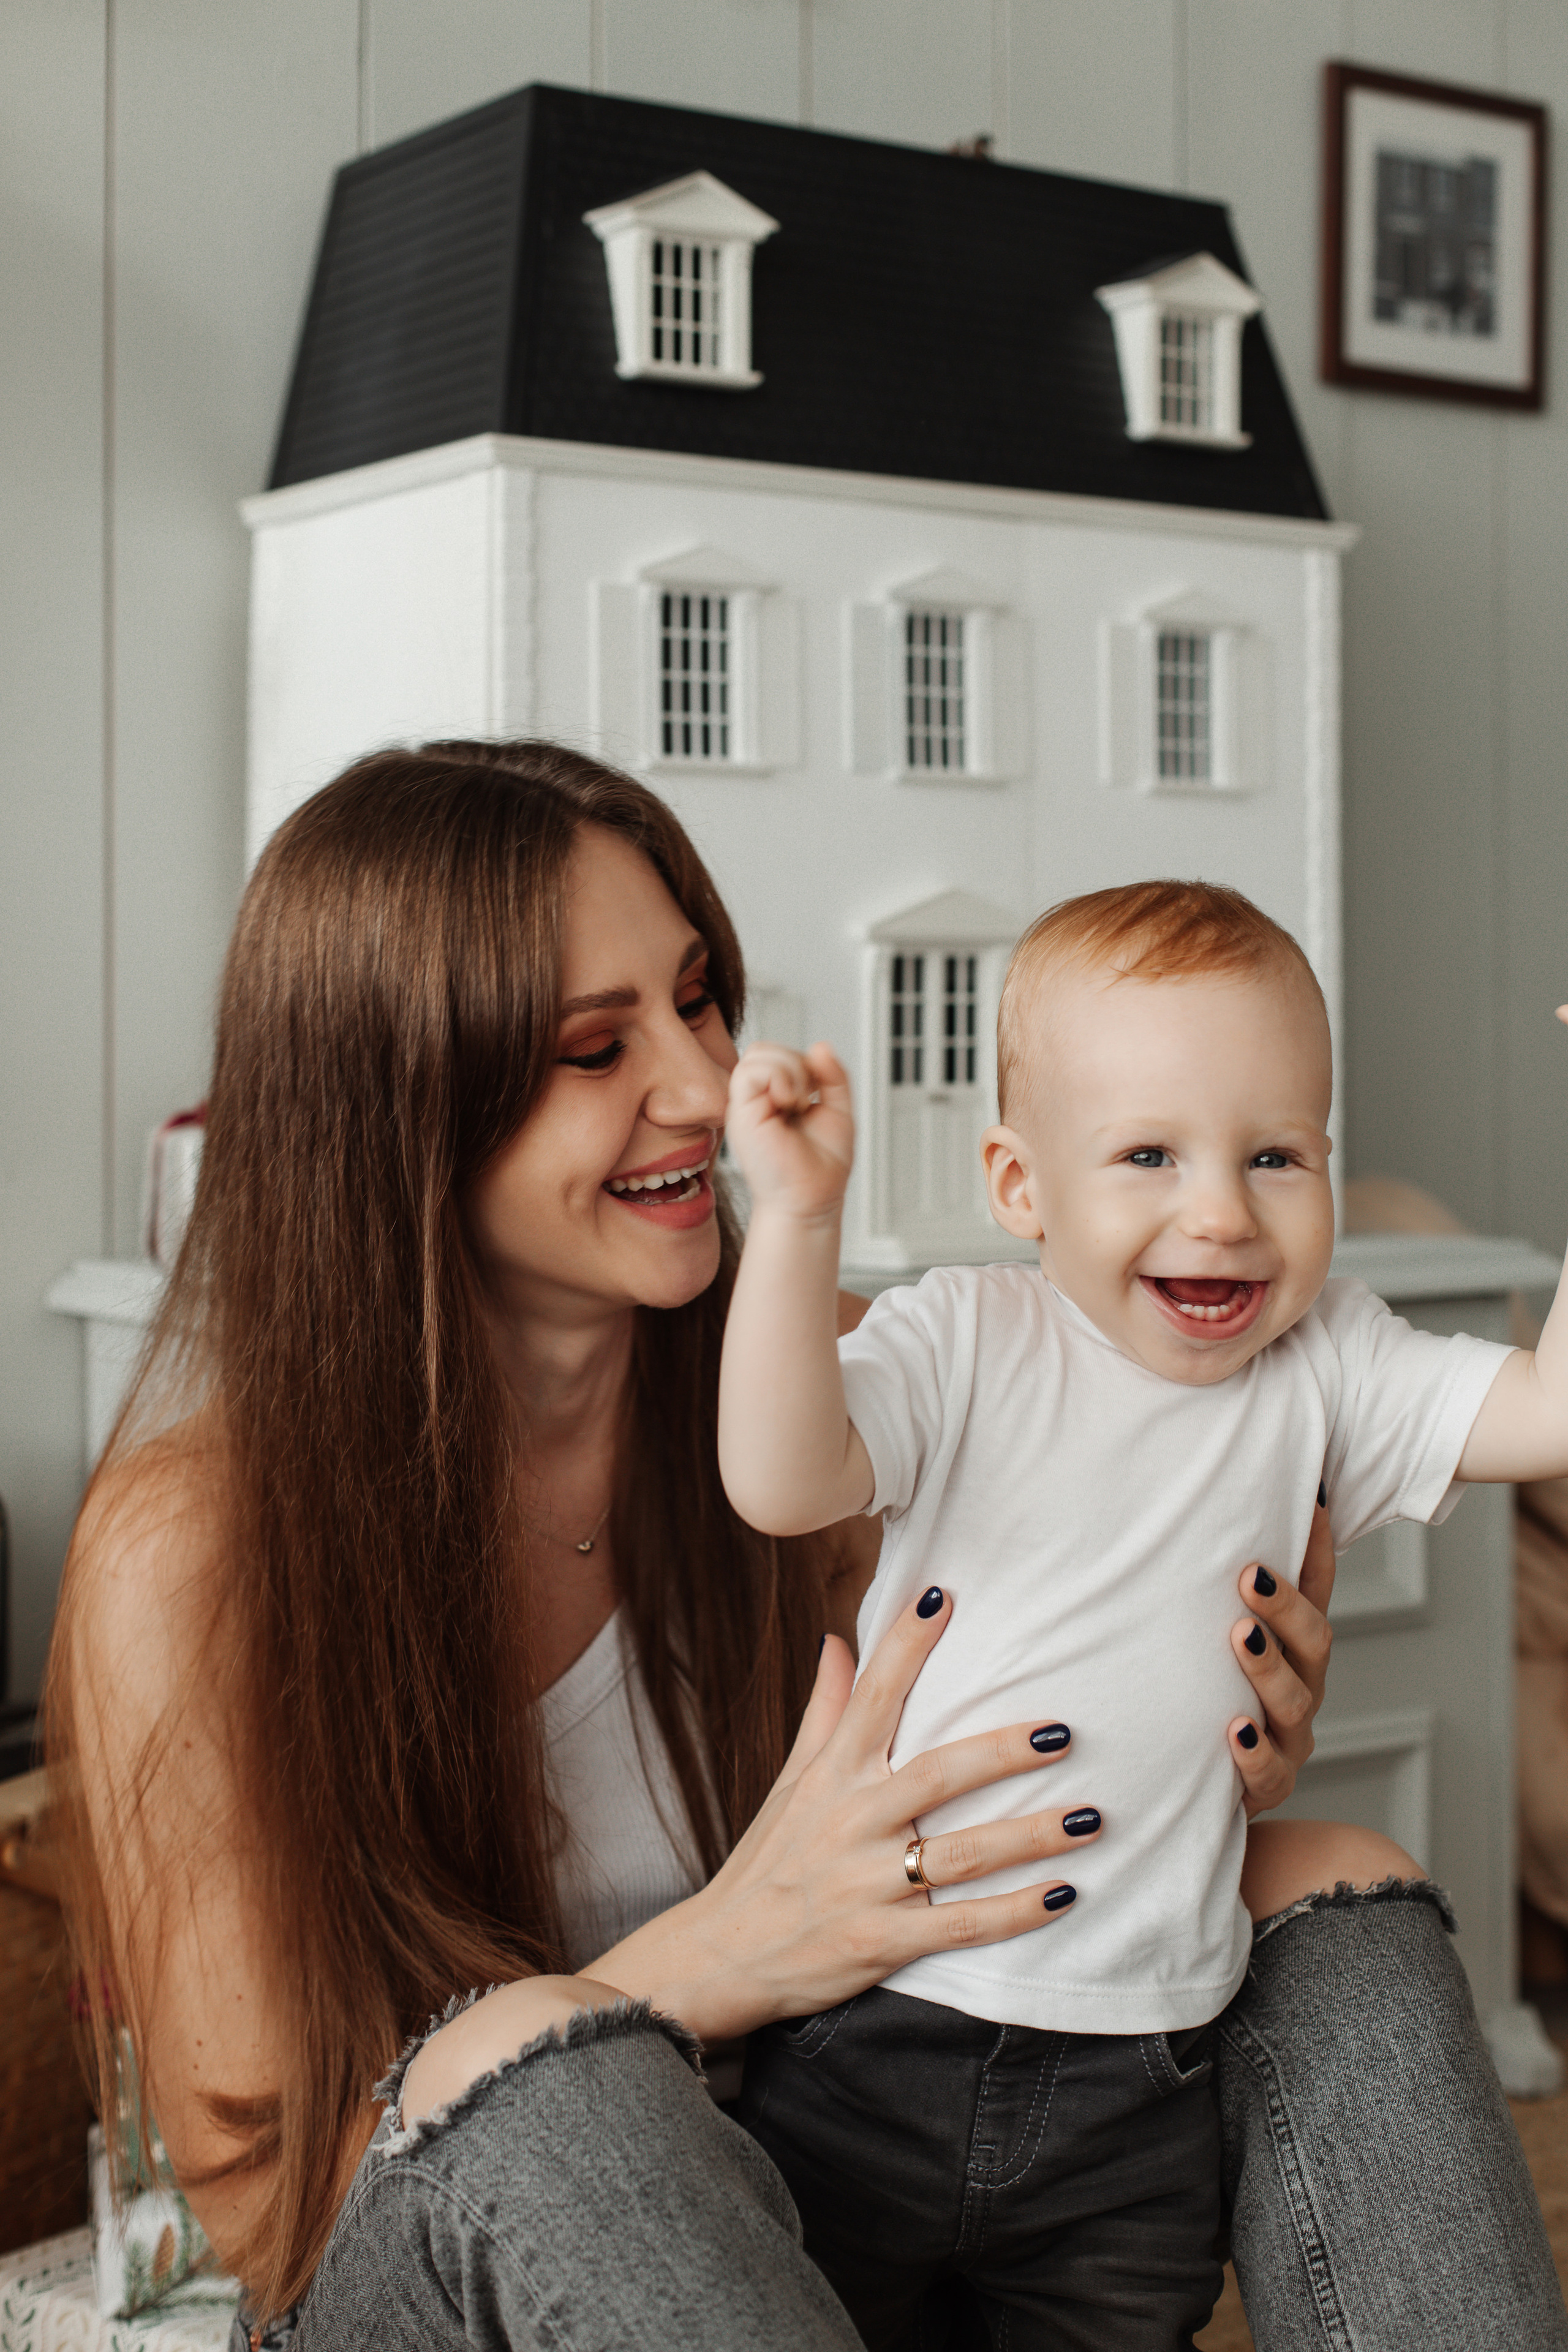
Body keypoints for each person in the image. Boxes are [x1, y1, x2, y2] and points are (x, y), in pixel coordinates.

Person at [42, 747, 1562, 2352]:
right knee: (549, 2058)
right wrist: (709, 1967)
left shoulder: (838, 1385)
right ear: (397, 1104)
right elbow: (258, 2199)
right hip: (452, 2265)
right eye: (593, 1047)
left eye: (700, 1003)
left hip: (805, 2225)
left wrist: (1207, 1734)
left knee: (1338, 1889)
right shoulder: (190, 1550)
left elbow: (1037, 1746)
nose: (703, 1087)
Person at [719, 877, 1568, 2348]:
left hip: (1140, 2085)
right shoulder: (967, 1335)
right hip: (879, 2032)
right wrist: (794, 1220)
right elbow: (782, 1479)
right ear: (1018, 1186)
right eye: (1147, 1155)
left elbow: (1545, 1414)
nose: (1221, 1213)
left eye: (1274, 1157)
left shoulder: (1326, 1362)